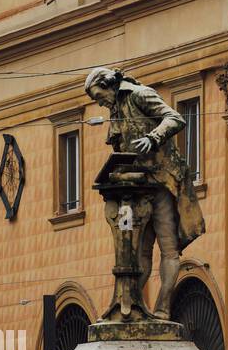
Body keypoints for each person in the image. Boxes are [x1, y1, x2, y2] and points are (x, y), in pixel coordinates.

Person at [84, 67, 205, 318]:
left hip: (160, 182)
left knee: (169, 249)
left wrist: (153, 137)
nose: (99, 103)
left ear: (109, 86)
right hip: (136, 187)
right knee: (139, 254)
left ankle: (162, 309)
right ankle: (128, 310)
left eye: (98, 96)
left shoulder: (140, 94)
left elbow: (175, 118)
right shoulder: (116, 111)